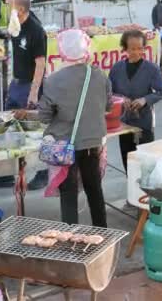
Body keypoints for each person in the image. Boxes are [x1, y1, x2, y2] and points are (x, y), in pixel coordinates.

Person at [38, 29, 111, 228]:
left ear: (62, 51)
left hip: (64, 145)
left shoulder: (53, 80)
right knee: (94, 189)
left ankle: (70, 237)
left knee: (68, 194)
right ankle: (102, 233)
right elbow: (108, 106)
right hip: (93, 143)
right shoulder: (99, 75)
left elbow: (44, 116)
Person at [110, 30, 162, 172]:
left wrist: (145, 99)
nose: (136, 52)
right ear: (125, 48)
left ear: (144, 48)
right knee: (128, 159)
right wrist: (120, 99)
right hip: (123, 122)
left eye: (140, 49)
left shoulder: (151, 69)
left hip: (144, 122)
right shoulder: (117, 68)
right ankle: (132, 188)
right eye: (132, 49)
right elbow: (109, 92)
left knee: (146, 161)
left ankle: (145, 192)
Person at [9, 0, 49, 190]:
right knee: (12, 126)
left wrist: (34, 93)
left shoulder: (35, 29)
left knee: (36, 131)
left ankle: (43, 172)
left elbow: (40, 63)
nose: (9, 9)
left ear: (21, 9)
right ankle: (9, 171)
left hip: (30, 85)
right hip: (16, 83)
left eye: (11, 5)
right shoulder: (15, 24)